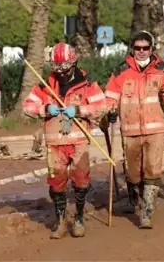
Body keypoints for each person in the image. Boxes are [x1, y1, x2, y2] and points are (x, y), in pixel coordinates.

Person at [104, 31, 164, 229]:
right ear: (132, 49)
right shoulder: (121, 71)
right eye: (138, 48)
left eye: (145, 48)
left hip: (156, 130)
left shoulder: (163, 69)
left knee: (152, 169)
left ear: (151, 49)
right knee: (133, 173)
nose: (142, 52)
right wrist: (109, 110)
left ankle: (147, 211)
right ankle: (134, 197)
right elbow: (110, 96)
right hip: (129, 131)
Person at [23, 43, 107, 239]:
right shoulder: (45, 85)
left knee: (81, 181)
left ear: (73, 63)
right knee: (56, 183)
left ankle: (78, 219)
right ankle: (60, 221)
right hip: (54, 145)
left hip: (78, 142)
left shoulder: (87, 84)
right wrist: (44, 109)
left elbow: (101, 105)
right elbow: (28, 106)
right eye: (56, 67)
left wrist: (79, 110)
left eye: (64, 67)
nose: (60, 71)